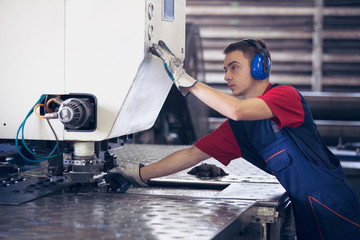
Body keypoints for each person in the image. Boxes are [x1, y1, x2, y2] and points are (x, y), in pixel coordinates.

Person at [106, 38, 360, 239]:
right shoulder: (238, 129)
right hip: (307, 210)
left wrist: (188, 82)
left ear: (261, 68)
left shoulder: (286, 96)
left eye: (234, 67)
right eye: (225, 69)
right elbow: (191, 154)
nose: (227, 76)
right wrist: (138, 173)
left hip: (334, 207)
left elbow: (237, 109)